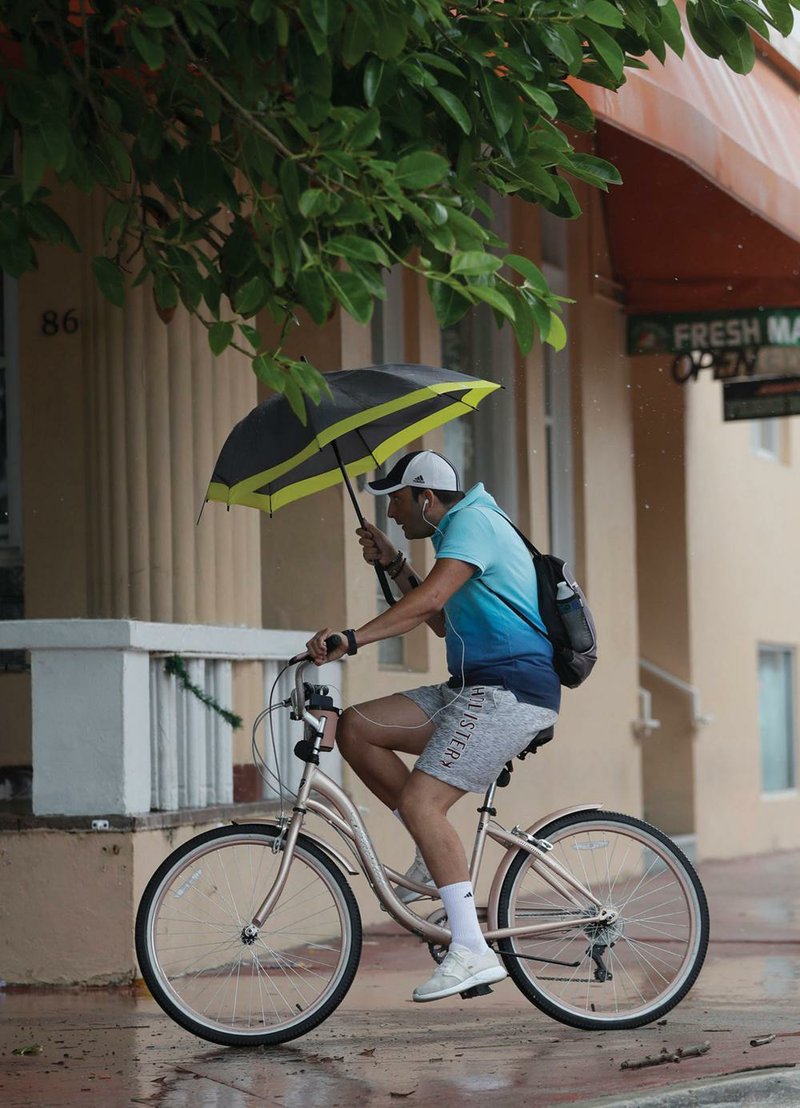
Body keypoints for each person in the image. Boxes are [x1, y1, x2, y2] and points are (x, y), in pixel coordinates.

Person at [306, 449, 559, 1003]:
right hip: (469, 689)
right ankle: (431, 853)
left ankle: (470, 949)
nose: (392, 512)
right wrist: (395, 562)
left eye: (395, 500)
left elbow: (432, 600)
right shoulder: (453, 537)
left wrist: (352, 638)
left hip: (510, 691)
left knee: (424, 804)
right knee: (356, 728)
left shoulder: (473, 520)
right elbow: (445, 621)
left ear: (425, 497)